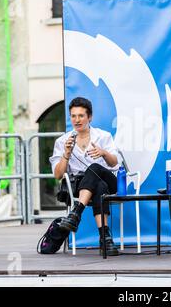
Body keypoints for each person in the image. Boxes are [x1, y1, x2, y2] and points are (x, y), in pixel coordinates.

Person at [49, 97, 122, 256]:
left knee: (95, 168)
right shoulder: (63, 141)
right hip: (81, 187)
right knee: (98, 187)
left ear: (90, 117)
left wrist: (103, 153)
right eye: (73, 116)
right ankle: (105, 238)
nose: (77, 120)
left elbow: (115, 163)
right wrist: (66, 155)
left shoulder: (103, 136)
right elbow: (58, 174)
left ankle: (76, 212)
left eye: (81, 116)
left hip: (109, 181)